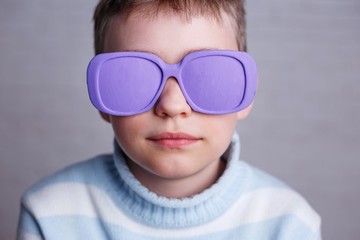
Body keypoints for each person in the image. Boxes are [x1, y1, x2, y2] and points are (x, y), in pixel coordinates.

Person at [17, 0, 321, 239]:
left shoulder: (289, 223)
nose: (173, 106)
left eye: (208, 76)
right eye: (134, 76)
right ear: (102, 100)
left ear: (247, 91)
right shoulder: (49, 214)